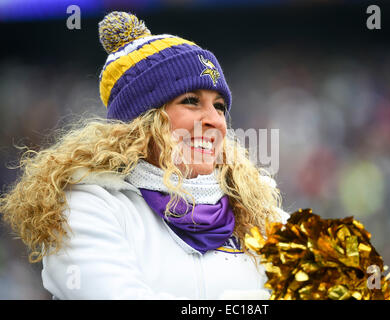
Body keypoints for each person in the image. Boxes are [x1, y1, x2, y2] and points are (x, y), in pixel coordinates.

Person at [0, 11, 288, 299]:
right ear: (143, 122)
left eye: (220, 106)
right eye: (191, 101)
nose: (215, 120)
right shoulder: (87, 207)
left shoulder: (257, 212)